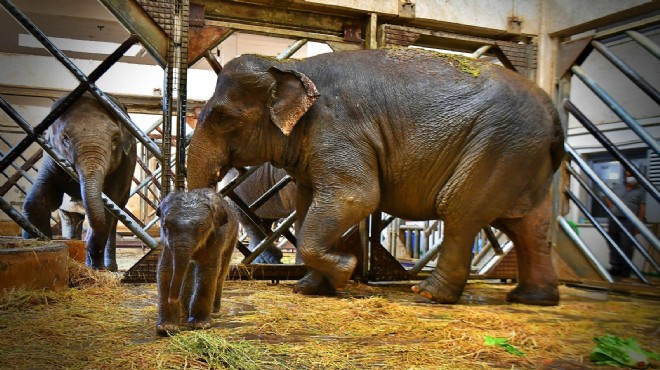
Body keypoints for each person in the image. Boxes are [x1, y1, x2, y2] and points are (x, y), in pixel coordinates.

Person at [605, 169, 646, 278]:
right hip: (614, 219)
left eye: (632, 174)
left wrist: (639, 224)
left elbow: (642, 208)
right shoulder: (618, 186)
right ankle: (615, 267)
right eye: (628, 174)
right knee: (613, 242)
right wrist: (611, 207)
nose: (630, 176)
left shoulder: (640, 191)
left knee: (627, 245)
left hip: (629, 221)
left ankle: (625, 269)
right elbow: (607, 196)